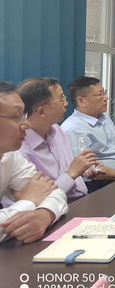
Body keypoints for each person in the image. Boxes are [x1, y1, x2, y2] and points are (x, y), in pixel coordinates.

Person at [0, 81, 68, 243]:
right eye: (16, 116)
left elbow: (54, 192)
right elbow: (35, 196)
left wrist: (45, 214)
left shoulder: (10, 155)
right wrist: (29, 202)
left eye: (23, 116)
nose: (26, 124)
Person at [17, 78, 103, 202]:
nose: (66, 103)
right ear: (42, 111)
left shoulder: (56, 130)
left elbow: (67, 169)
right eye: (61, 99)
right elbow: (36, 200)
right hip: (56, 208)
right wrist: (72, 174)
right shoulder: (20, 150)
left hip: (83, 199)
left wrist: (84, 169)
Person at [61, 77, 115, 193]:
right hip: (102, 182)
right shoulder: (73, 129)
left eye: (104, 92)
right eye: (99, 94)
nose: (106, 97)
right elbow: (91, 170)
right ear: (81, 101)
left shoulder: (103, 117)